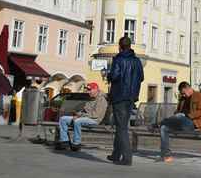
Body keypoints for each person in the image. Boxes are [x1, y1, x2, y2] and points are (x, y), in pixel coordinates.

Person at [106, 36, 143, 166]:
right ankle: (116, 154)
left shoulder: (119, 59)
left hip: (120, 95)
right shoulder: (137, 61)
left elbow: (115, 75)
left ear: (120, 46)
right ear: (130, 46)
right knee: (121, 125)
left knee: (121, 128)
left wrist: (109, 75)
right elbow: (141, 77)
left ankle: (127, 158)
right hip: (132, 97)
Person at [158, 81, 201, 163]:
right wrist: (178, 114)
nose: (183, 95)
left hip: (193, 123)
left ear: (188, 88)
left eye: (184, 93)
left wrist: (186, 115)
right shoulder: (182, 98)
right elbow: (177, 111)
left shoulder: (199, 95)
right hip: (180, 122)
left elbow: (200, 112)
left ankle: (159, 123)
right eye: (182, 94)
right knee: (163, 128)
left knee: (177, 118)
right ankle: (166, 155)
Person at [55, 82, 108, 152]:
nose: (88, 92)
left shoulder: (101, 100)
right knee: (63, 119)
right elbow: (85, 110)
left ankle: (76, 144)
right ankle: (65, 142)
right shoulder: (92, 98)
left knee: (77, 121)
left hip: (95, 120)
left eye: (90, 90)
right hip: (85, 117)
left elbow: (95, 115)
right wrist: (77, 114)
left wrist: (80, 116)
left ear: (96, 89)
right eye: (88, 90)